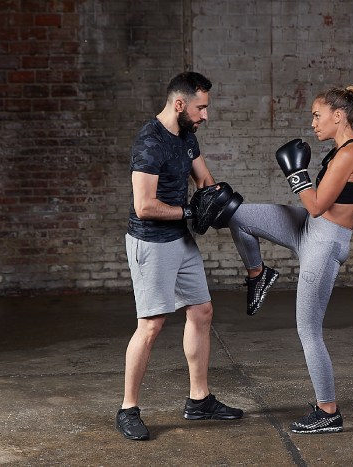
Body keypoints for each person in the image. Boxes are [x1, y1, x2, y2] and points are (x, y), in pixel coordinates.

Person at [228, 85, 353, 434]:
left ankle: (328, 410)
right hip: (309, 228)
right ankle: (258, 274)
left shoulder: (349, 155)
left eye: (317, 116)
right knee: (238, 215)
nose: (313, 123)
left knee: (308, 329)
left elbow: (316, 205)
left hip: (325, 241)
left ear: (338, 116)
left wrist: (295, 174)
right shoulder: (343, 154)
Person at [117, 71, 243, 441]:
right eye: (201, 108)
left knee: (201, 311)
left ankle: (199, 400)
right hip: (151, 241)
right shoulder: (150, 142)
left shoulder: (187, 137)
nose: (206, 115)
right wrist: (190, 212)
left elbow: (204, 181)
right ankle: (128, 408)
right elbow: (144, 206)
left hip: (179, 238)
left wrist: (218, 198)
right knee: (152, 324)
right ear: (179, 104)